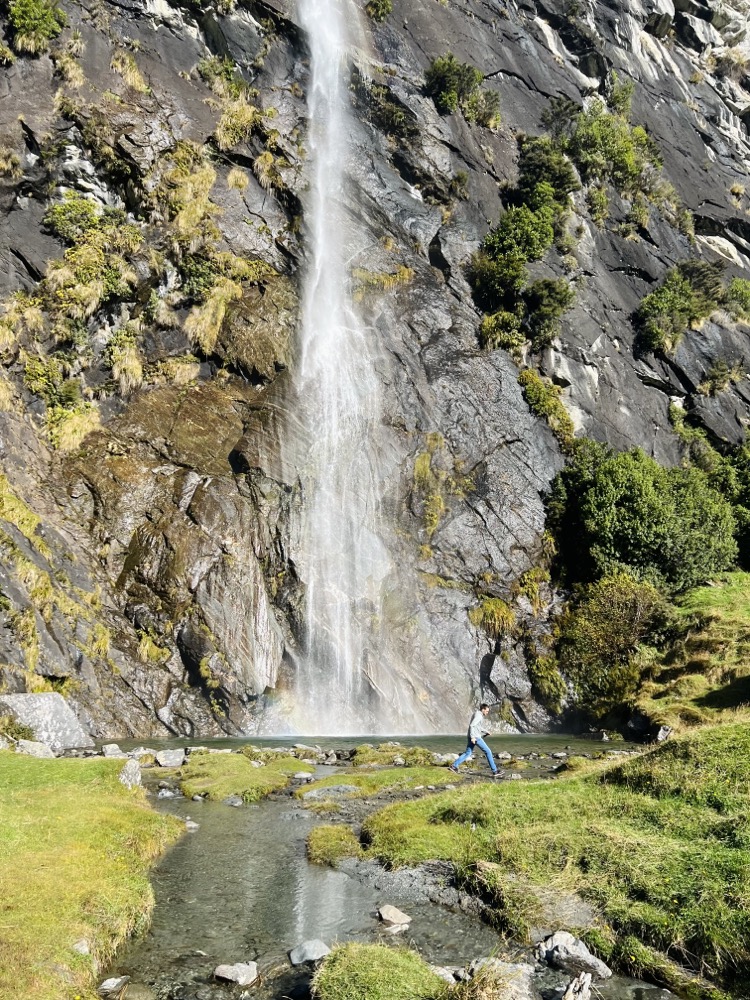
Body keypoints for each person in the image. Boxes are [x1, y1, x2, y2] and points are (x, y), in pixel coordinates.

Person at [450, 703, 499, 776]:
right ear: (483, 709)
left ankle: (454, 766)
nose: (487, 713)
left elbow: (477, 727)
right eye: (486, 711)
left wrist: (486, 731)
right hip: (476, 737)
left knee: (468, 753)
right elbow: (472, 725)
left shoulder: (477, 714)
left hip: (472, 736)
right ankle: (495, 771)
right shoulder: (479, 716)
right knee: (488, 751)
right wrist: (473, 737)